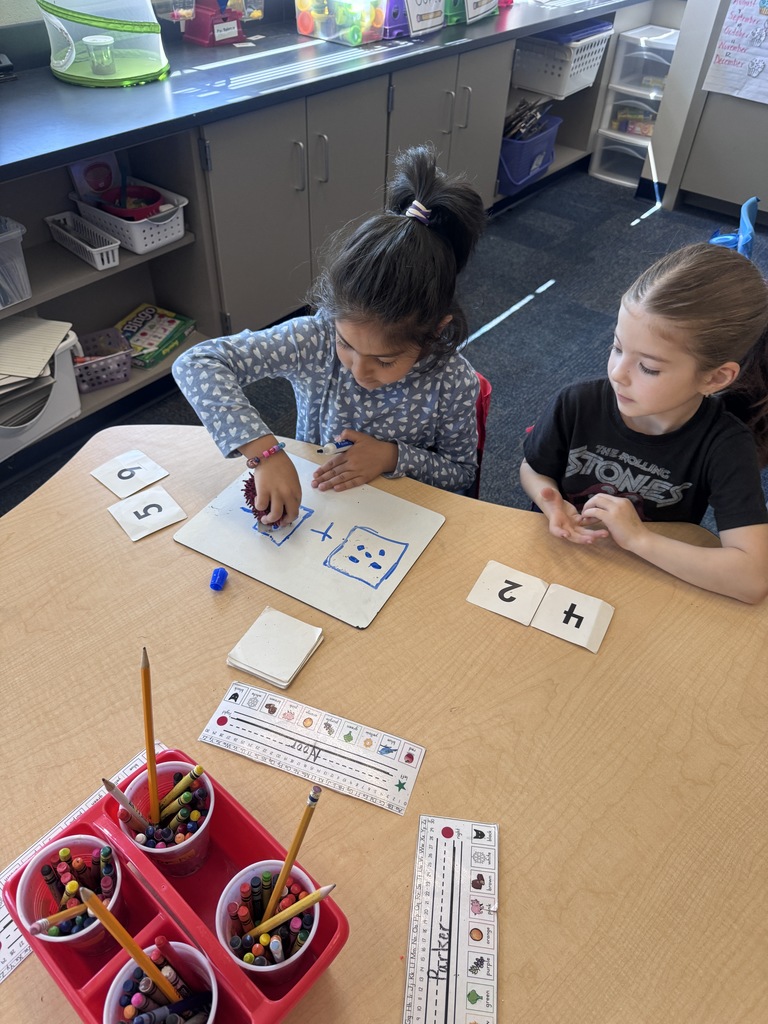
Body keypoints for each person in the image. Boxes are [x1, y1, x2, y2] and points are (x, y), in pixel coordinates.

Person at [172, 145, 486, 525]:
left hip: (397, 519)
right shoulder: (317, 338)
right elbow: (197, 362)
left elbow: (461, 474)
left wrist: (392, 456)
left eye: (385, 361)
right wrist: (262, 451)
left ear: (435, 332)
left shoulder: (453, 380)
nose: (359, 371)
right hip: (321, 508)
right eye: (347, 345)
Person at [520, 242, 768, 604]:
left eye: (648, 367)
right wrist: (551, 502)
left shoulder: (726, 446)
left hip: (646, 576)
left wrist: (638, 538)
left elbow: (752, 579)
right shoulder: (577, 402)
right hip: (558, 557)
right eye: (617, 347)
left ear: (715, 379)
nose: (618, 374)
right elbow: (533, 468)